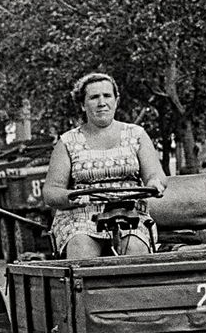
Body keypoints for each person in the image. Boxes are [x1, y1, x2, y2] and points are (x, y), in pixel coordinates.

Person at [43, 72, 167, 258]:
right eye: (94, 97)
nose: (102, 103)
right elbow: (51, 191)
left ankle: (135, 287)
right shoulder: (68, 141)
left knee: (135, 249)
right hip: (81, 216)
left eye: (107, 96)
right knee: (81, 247)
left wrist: (155, 183)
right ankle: (84, 286)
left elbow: (155, 175)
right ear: (82, 105)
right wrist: (72, 197)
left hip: (130, 213)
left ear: (116, 100)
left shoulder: (137, 134)